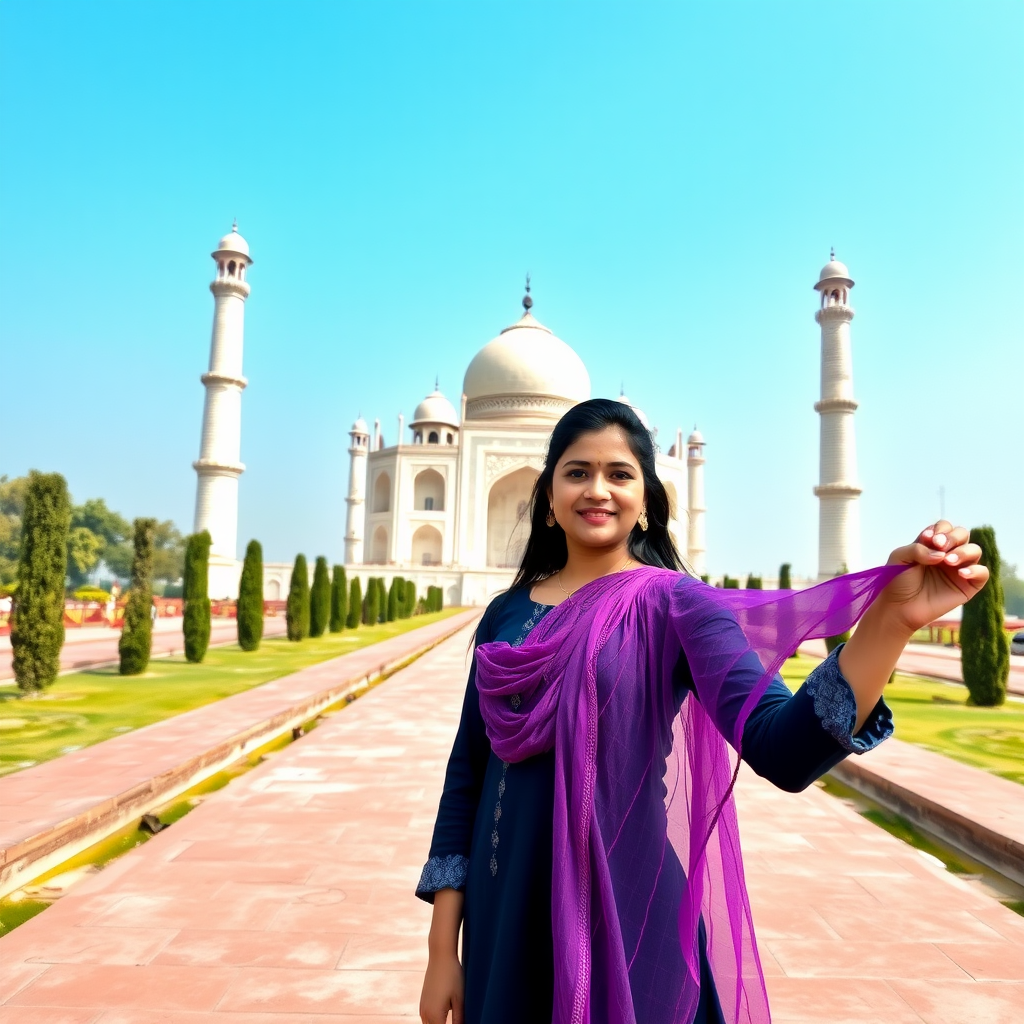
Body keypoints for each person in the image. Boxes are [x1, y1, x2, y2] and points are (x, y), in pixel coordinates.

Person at [416, 399, 986, 1024]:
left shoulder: (677, 607)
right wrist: (443, 947)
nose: (597, 489)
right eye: (577, 472)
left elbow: (781, 747)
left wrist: (889, 624)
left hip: (627, 907)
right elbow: (467, 776)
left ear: (648, 500)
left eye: (619, 473)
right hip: (507, 910)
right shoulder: (505, 613)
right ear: (547, 496)